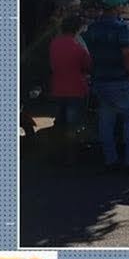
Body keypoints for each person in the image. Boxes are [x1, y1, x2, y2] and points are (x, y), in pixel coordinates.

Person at [85, 0, 129, 172]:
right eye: (121, 5)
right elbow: (127, 55)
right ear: (116, 7)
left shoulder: (92, 28)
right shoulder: (120, 28)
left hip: (100, 80)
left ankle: (110, 160)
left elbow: (89, 55)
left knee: (106, 122)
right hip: (121, 80)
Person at [48, 15, 91, 165]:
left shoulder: (54, 43)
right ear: (77, 28)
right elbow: (87, 66)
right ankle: (71, 156)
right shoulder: (78, 46)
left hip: (58, 87)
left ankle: (57, 153)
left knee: (60, 122)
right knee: (74, 124)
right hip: (76, 88)